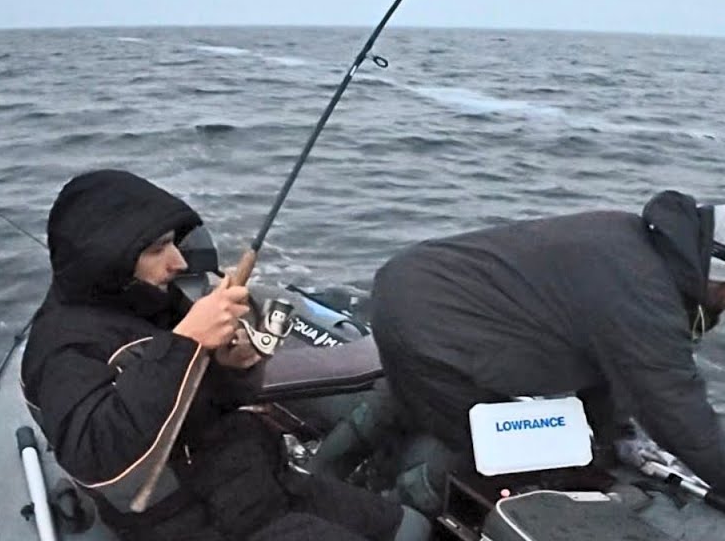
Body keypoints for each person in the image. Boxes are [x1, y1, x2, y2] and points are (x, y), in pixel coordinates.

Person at [21, 169, 427, 541]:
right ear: (108, 255)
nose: (178, 262)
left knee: (411, 528)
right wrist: (185, 344)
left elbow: (204, 401)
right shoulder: (61, 350)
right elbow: (98, 456)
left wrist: (230, 367)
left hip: (262, 483)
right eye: (158, 248)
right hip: (202, 523)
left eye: (175, 244)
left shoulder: (147, 303)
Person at [369, 189, 725, 518]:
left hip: (411, 286)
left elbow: (606, 360)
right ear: (718, 272)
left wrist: (617, 432)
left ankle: (363, 446)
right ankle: (398, 506)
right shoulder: (644, 295)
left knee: (434, 404)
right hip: (432, 328)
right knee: (503, 452)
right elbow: (676, 411)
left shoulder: (635, 243)